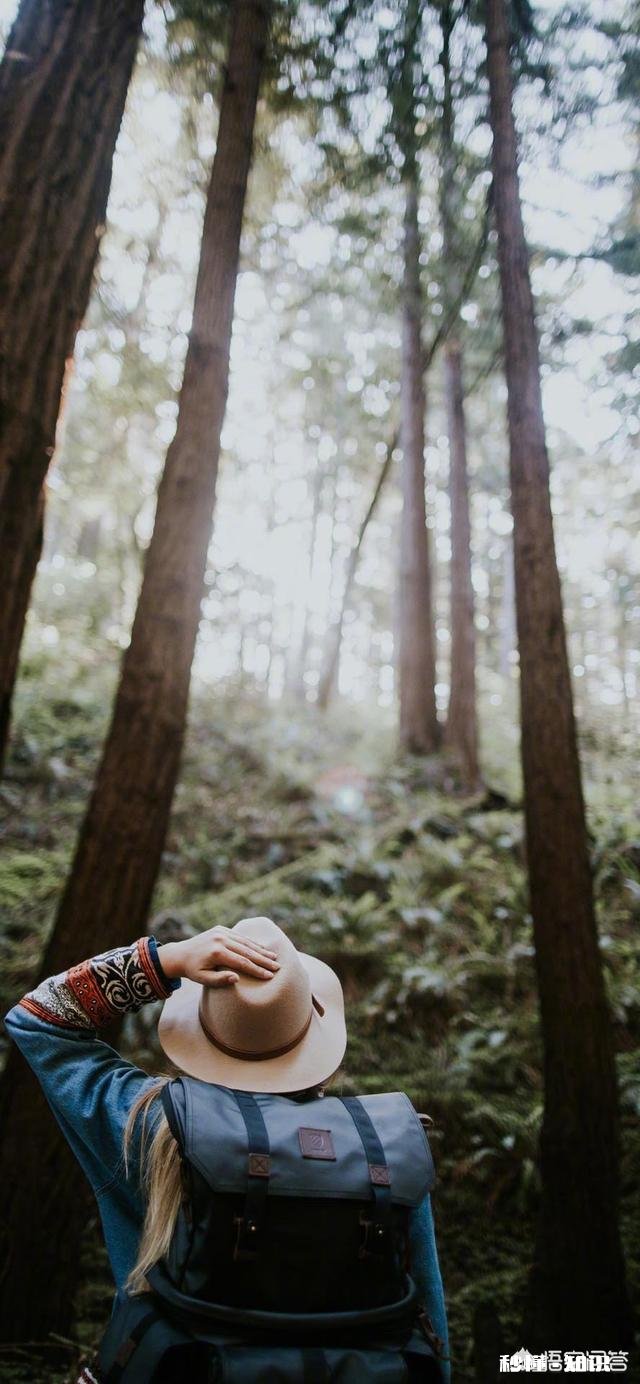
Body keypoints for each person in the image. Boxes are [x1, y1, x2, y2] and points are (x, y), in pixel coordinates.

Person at [5, 916, 451, 1382]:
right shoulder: (383, 1145)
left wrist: (164, 960)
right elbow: (427, 1321)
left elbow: (39, 1019)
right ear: (312, 1027)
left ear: (203, 1032)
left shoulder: (155, 1129)